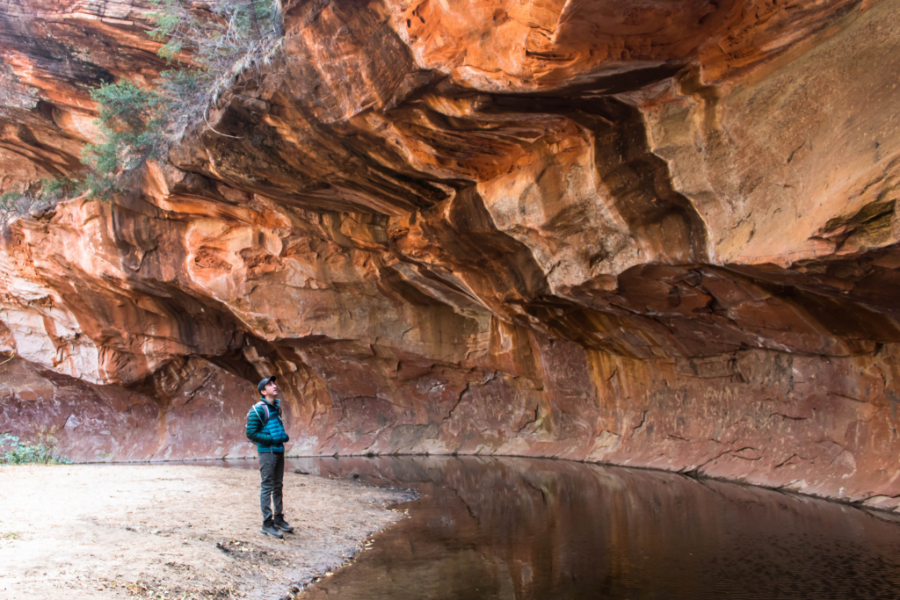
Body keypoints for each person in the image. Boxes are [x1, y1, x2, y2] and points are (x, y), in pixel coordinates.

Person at [246, 375, 294, 538]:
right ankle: (267, 523)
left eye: (274, 383)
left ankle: (279, 518)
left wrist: (283, 437)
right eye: (269, 385)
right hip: (267, 452)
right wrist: (272, 439)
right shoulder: (258, 409)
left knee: (278, 485)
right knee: (267, 485)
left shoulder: (276, 408)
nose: (274, 386)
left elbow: (276, 427)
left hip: (279, 451)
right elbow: (251, 433)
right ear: (263, 391)